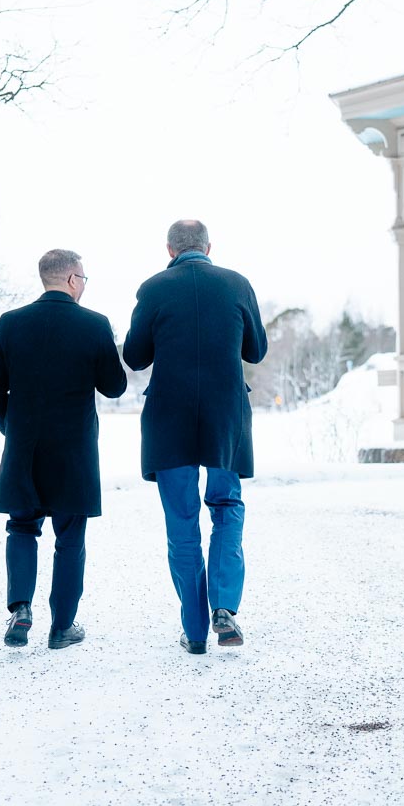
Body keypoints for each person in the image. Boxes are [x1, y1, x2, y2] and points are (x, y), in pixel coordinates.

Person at [123, 219, 268, 655]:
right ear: (209, 246)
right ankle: (224, 607)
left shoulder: (152, 289)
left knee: (182, 522)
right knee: (226, 507)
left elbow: (134, 356)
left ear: (169, 249)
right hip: (226, 416)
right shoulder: (237, 284)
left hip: (169, 418)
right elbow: (256, 350)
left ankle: (195, 629)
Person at [0, 249, 127, 650]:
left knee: (22, 527)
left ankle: (21, 609)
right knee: (70, 537)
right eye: (83, 278)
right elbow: (115, 386)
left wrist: (11, 426)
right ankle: (62, 627)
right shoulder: (95, 324)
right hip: (74, 451)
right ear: (73, 279)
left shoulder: (11, 323)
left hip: (23, 447)